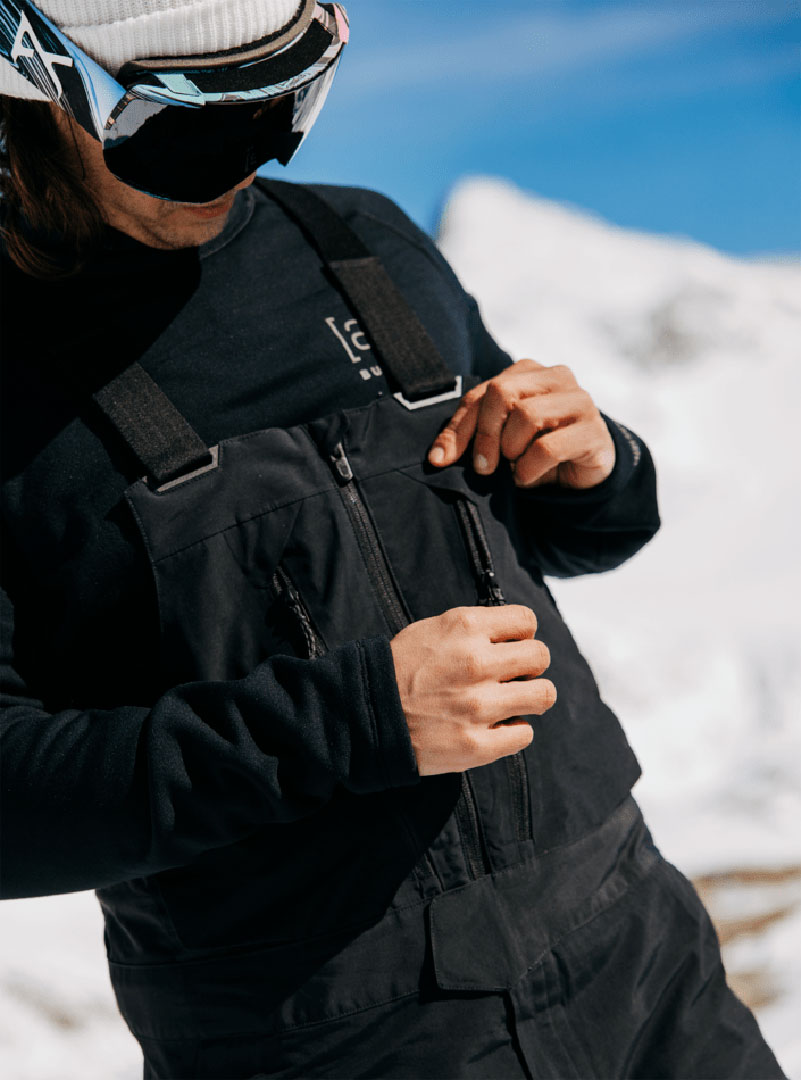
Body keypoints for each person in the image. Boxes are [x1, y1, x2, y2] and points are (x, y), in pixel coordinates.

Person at [0, 2, 785, 1078]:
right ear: (40, 86)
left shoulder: (364, 242)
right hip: (319, 1044)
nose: (257, 158)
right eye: (189, 128)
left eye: (289, 101)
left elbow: (555, 535)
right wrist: (349, 721)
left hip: (645, 980)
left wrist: (598, 469)